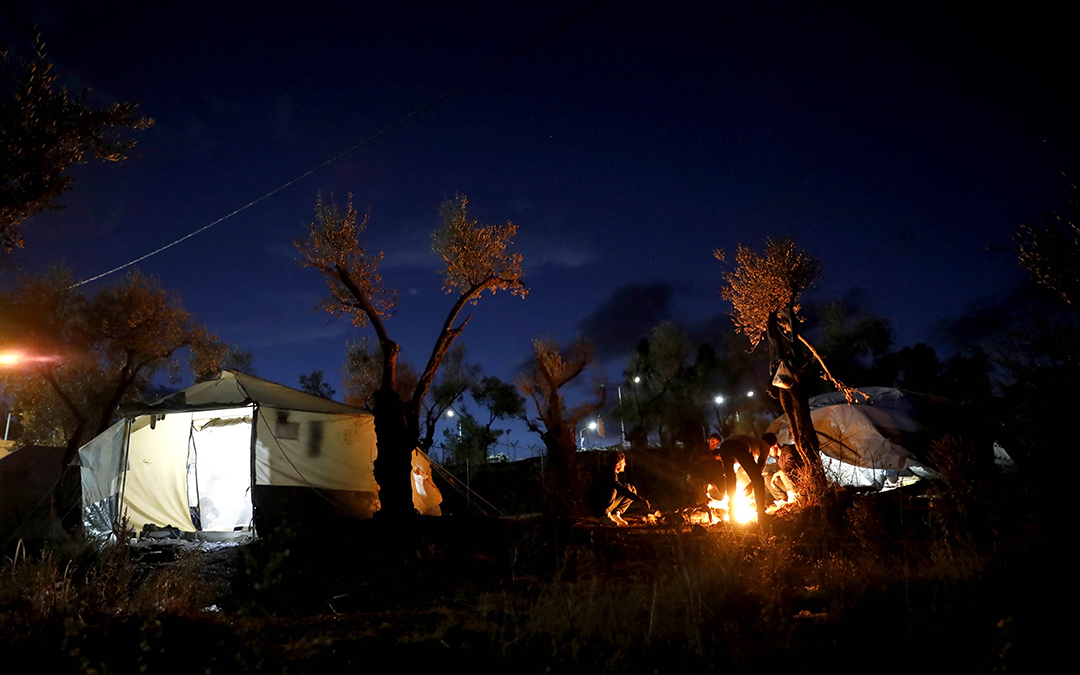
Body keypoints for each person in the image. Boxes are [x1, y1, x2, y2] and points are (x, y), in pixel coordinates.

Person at [716, 432, 780, 523]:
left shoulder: (753, 441)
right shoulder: (765, 445)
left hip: (724, 445)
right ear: (772, 445)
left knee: (731, 481)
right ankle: (761, 515)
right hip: (739, 445)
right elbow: (760, 467)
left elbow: (736, 468)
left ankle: (732, 517)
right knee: (759, 480)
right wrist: (752, 484)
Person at [605, 452, 651, 526]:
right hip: (599, 507)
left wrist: (627, 490)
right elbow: (619, 488)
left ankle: (616, 513)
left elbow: (622, 488)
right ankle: (605, 515)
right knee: (613, 490)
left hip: (607, 503)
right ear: (618, 465)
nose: (625, 464)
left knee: (632, 489)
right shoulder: (608, 474)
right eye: (623, 462)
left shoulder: (614, 474)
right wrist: (639, 499)